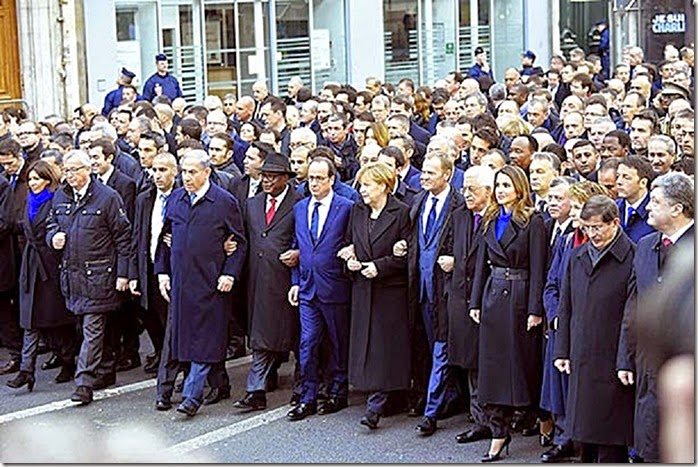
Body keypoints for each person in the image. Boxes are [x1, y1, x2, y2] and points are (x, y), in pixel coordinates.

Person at [155, 150, 247, 417]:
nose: (187, 178)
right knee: (189, 341)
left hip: (212, 285)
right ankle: (220, 383)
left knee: (205, 341)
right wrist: (163, 272)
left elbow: (239, 242)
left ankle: (191, 397)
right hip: (182, 285)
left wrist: (229, 273)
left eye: (193, 172)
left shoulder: (223, 202)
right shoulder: (177, 198)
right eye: (184, 172)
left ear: (207, 172)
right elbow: (165, 238)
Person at [469, 165, 547, 462]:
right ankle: (498, 432)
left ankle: (543, 418)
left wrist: (535, 309)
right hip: (493, 297)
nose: (501, 190)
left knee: (523, 366)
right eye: (498, 185)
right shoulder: (489, 218)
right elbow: (480, 265)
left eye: (506, 185)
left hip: (520, 296)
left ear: (519, 188)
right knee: (492, 367)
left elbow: (539, 266)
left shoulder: (532, 220)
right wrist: (475, 301)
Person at [616, 173, 694, 462]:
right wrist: (625, 357)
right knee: (650, 443)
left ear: (677, 208)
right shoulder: (646, 247)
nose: (648, 206)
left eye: (657, 201)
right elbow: (634, 305)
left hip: (688, 369)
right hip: (648, 367)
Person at [46, 149, 132, 405]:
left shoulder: (107, 197)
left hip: (99, 276)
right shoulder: (61, 196)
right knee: (86, 328)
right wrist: (53, 238)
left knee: (92, 328)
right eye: (67, 170)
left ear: (88, 170)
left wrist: (124, 273)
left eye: (74, 170)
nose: (69, 175)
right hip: (72, 278)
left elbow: (123, 237)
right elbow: (51, 225)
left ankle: (84, 382)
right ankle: (105, 370)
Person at [554, 195, 635, 463]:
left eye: (598, 227)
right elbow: (566, 305)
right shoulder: (577, 254)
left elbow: (633, 314)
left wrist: (626, 360)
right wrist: (562, 350)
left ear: (615, 223)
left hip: (613, 358)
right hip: (581, 355)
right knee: (584, 439)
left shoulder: (632, 256)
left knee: (611, 442)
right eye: (586, 228)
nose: (592, 234)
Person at [336, 161, 410, 429]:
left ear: (383, 185)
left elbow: (406, 255)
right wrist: (351, 258)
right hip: (363, 288)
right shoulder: (358, 211)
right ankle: (380, 398)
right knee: (366, 346)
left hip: (388, 292)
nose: (362, 190)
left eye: (367, 185)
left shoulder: (401, 213)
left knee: (383, 350)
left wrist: (379, 266)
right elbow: (349, 243)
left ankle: (375, 407)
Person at [400, 151, 465, 435]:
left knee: (441, 348)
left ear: (447, 175)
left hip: (446, 291)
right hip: (422, 289)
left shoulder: (459, 206)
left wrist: (456, 261)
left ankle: (431, 412)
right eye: (423, 172)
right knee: (429, 347)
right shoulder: (418, 201)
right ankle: (449, 396)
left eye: (430, 173)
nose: (423, 177)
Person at [232, 153, 303, 412]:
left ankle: (301, 389)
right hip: (258, 282)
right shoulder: (252, 204)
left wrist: (299, 254)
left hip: (287, 283)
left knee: (295, 337)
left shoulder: (300, 203)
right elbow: (243, 237)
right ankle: (256, 391)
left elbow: (307, 239)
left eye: (272, 176)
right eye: (263, 176)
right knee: (261, 337)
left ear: (286, 178)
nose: (266, 181)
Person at [286, 156, 353, 421]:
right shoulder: (301, 208)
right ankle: (308, 396)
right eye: (310, 178)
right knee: (308, 342)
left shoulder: (346, 207)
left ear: (331, 179)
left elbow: (351, 241)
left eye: (319, 178)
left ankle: (338, 392)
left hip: (335, 287)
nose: (313, 183)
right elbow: (296, 246)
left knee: (338, 343)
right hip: (306, 289)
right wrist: (294, 281)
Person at [6, 161, 76, 392]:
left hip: (50, 266)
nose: (33, 183)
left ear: (47, 179)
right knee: (30, 321)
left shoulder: (55, 199)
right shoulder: (29, 201)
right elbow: (23, 227)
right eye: (31, 179)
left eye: (37, 178)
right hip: (31, 266)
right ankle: (27, 370)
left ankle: (67, 361)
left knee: (56, 321)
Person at [449, 165, 495, 445]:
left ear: (488, 191)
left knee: (488, 362)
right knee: (470, 364)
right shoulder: (459, 217)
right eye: (464, 188)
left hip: (488, 301)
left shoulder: (497, 219)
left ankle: (495, 419)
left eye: (472, 189)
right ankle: (479, 419)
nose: (466, 194)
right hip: (461, 298)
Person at [129, 153, 177, 398]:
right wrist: (133, 273)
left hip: (172, 272)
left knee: (172, 322)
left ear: (174, 172)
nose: (157, 175)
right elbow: (137, 237)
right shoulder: (145, 199)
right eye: (154, 170)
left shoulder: (180, 198)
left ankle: (172, 372)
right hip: (148, 268)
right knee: (152, 318)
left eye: (163, 170)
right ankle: (164, 357)